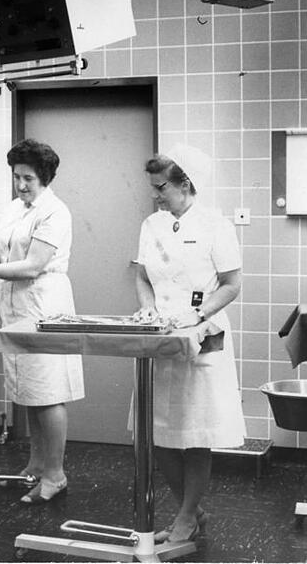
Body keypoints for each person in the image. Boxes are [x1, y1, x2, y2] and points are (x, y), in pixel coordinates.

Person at [0, 138, 84, 504]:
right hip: (16, 307)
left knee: (48, 391)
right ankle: (36, 465)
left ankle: (55, 474)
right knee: (29, 391)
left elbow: (33, 265)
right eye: (17, 177)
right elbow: (6, 253)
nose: (21, 185)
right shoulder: (15, 208)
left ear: (45, 178)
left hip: (44, 305)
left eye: (28, 178)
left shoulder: (55, 212)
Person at [132, 147, 245, 543]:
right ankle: (191, 511)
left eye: (161, 187)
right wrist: (147, 309)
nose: (155, 195)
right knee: (158, 431)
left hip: (202, 335)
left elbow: (231, 285)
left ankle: (184, 518)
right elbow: (142, 276)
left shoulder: (217, 225)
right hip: (161, 337)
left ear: (185, 184)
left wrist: (197, 316)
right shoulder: (152, 225)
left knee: (195, 434)